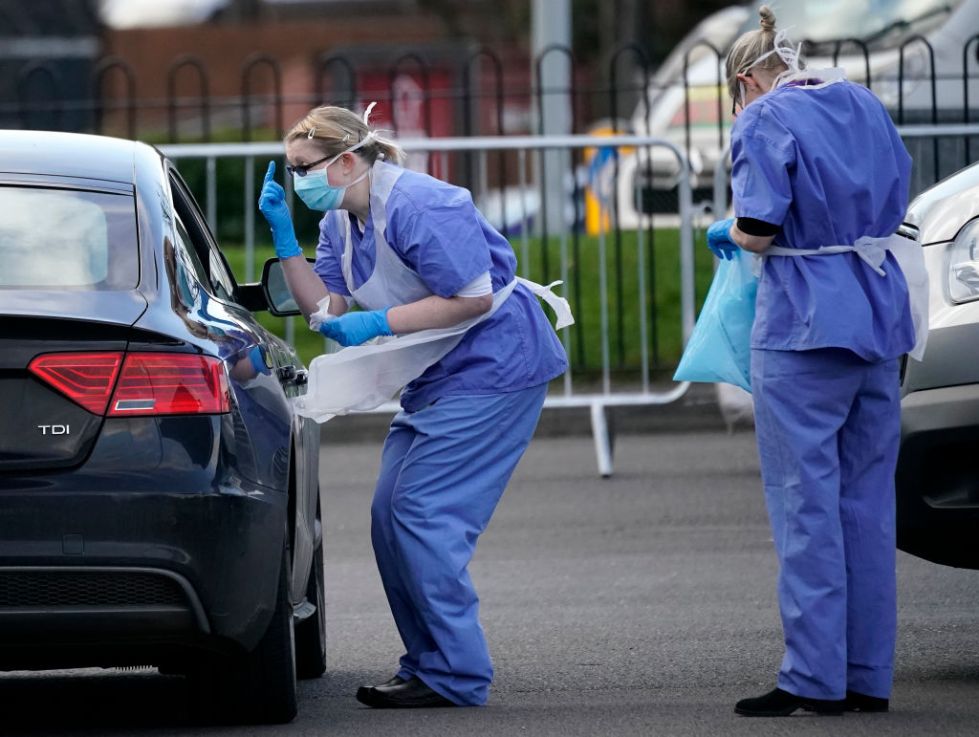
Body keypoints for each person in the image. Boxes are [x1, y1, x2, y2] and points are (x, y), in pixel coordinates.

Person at [258, 104, 568, 708]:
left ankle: (454, 673)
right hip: (437, 373)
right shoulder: (340, 222)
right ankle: (430, 663)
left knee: (422, 514)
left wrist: (381, 320)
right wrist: (283, 239)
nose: (297, 181)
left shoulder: (424, 204)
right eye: (291, 171)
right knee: (388, 517)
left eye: (303, 168)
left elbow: (474, 298)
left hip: (495, 366)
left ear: (346, 160)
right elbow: (327, 312)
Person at [706, 5, 921, 718]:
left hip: (802, 324)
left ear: (745, 80)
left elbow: (761, 230)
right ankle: (866, 676)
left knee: (806, 507)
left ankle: (811, 677)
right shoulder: (859, 100)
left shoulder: (761, 120)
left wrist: (726, 229)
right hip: (877, 312)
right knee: (865, 505)